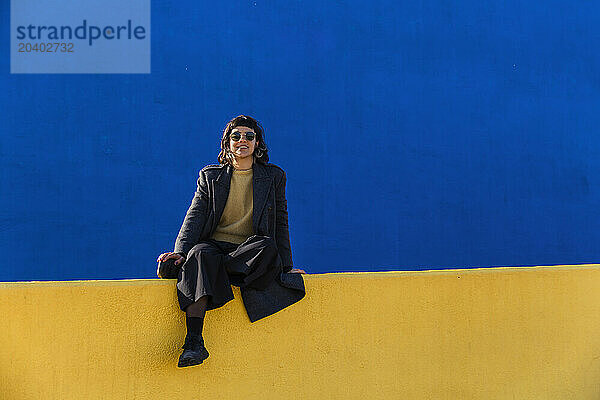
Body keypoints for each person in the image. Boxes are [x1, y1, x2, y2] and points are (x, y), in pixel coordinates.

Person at [156, 115, 306, 368]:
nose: (242, 141)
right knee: (199, 254)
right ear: (227, 143)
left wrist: (287, 267)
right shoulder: (210, 176)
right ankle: (193, 342)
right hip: (215, 248)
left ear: (257, 143)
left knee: (267, 247)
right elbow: (195, 216)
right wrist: (180, 253)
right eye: (235, 136)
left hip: (248, 251)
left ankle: (208, 272)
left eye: (249, 136)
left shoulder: (273, 177)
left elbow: (280, 221)